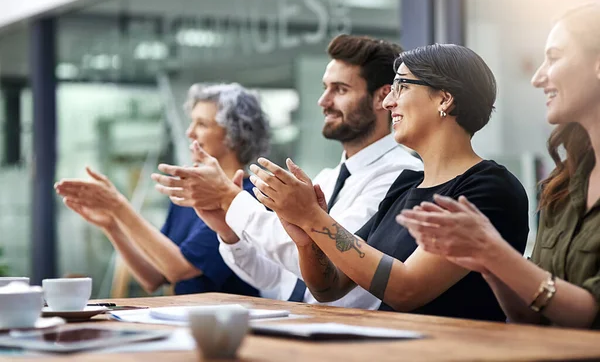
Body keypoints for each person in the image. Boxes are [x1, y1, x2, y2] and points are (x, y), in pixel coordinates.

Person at [247, 44, 530, 322]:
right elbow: (328, 287)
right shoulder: (404, 187)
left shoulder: (489, 188)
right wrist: (307, 238)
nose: (387, 102)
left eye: (402, 87)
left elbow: (407, 289)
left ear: (445, 99)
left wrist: (313, 216)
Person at [151, 34, 422, 308]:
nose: (323, 101)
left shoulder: (401, 176)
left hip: (350, 334)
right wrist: (228, 231)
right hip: (301, 324)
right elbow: (276, 277)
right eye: (325, 87)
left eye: (340, 90)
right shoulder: (327, 178)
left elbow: (326, 260)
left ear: (382, 97)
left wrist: (229, 199)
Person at [397, 4, 600, 329]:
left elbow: (591, 316)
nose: (537, 77)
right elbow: (530, 317)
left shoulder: (490, 184)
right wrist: (487, 262)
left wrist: (494, 253)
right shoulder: (561, 187)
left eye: (555, 56)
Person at [54, 83, 270, 296]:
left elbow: (181, 270)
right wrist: (112, 225)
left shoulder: (247, 197)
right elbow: (154, 277)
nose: (190, 132)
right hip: (183, 320)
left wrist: (118, 207)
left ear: (235, 135)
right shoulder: (189, 195)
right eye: (192, 122)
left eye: (202, 124)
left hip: (228, 324)